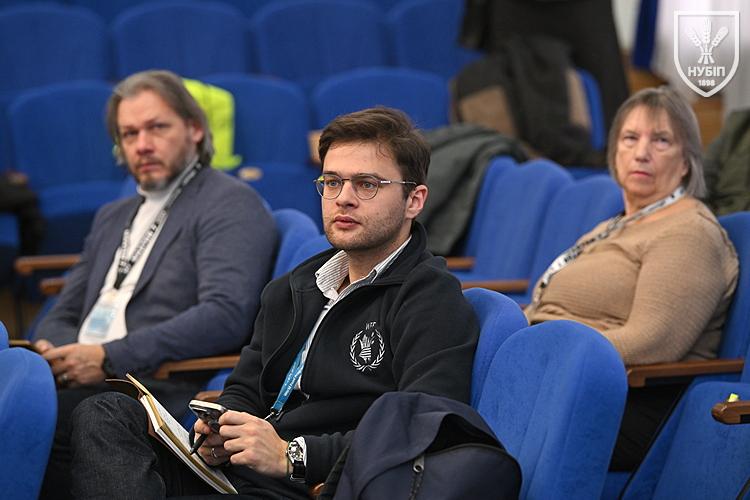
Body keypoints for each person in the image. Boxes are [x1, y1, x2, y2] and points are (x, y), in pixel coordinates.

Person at [67, 107, 480, 499]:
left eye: (367, 184)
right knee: (104, 413)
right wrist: (221, 426)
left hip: (306, 483)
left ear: (414, 200)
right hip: (238, 467)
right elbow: (245, 387)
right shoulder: (295, 286)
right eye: (332, 182)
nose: (344, 198)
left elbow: (423, 429)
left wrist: (291, 455)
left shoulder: (429, 298)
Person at [35, 70, 277, 497]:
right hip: (84, 378)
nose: (142, 145)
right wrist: (64, 356)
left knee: (39, 417)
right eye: (129, 134)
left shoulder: (229, 202)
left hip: (156, 385)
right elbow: (65, 310)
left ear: (195, 129)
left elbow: (225, 314)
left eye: (157, 128)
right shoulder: (112, 215)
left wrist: (108, 357)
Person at [524, 86, 739, 470]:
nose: (642, 152)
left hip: (624, 401)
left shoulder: (689, 232)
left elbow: (650, 341)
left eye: (661, 140)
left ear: (687, 161)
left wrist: (539, 358)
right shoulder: (613, 226)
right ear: (614, 153)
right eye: (630, 138)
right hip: (564, 377)